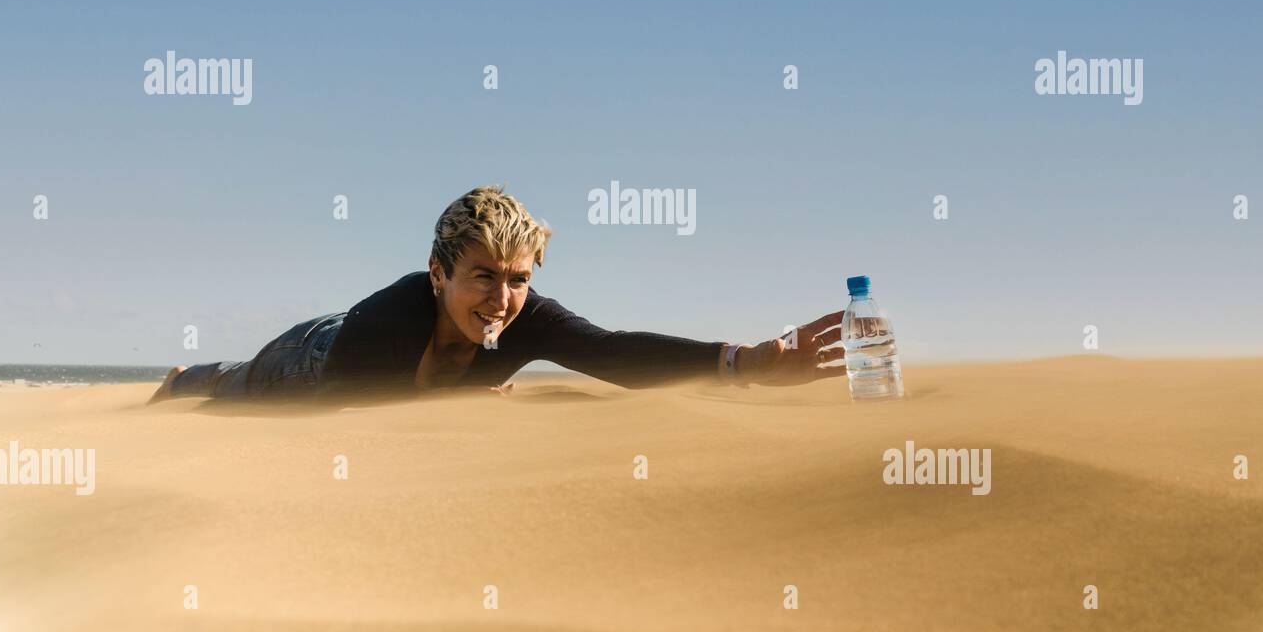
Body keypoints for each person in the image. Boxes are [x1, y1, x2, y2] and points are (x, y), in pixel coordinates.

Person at [147, 186, 845, 405]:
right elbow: (349, 429)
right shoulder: (386, 324)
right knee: (234, 387)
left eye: (519, 279)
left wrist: (745, 362)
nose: (503, 298)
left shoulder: (524, 319)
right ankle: (182, 378)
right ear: (438, 274)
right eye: (483, 276)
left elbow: (612, 352)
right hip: (310, 355)